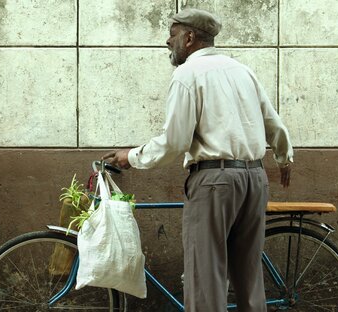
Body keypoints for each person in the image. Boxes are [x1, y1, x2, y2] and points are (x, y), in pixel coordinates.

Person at [103, 8, 293, 312]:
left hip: (215, 181)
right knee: (249, 279)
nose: (168, 41)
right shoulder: (242, 70)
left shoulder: (187, 75)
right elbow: (273, 122)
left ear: (190, 38)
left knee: (205, 279)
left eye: (173, 34)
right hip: (255, 178)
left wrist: (132, 157)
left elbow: (175, 142)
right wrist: (283, 157)